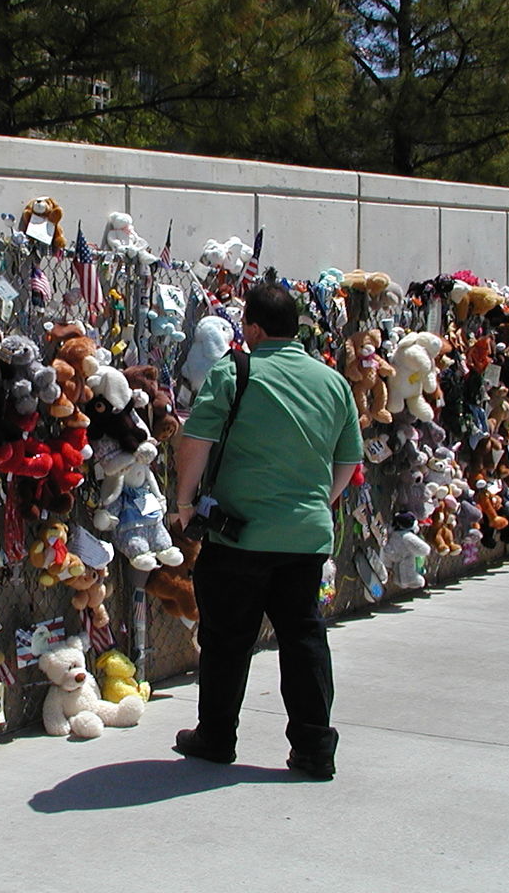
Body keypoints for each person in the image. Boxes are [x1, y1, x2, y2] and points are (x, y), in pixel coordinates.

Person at [170, 283, 363, 779]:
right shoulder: (332, 381)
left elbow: (196, 438)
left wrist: (185, 504)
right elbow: (348, 460)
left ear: (253, 328)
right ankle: (315, 748)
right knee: (303, 638)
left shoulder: (237, 370)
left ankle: (215, 736)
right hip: (306, 537)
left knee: (227, 638)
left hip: (239, 534)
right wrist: (319, 504)